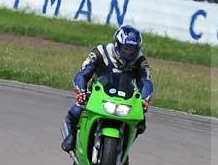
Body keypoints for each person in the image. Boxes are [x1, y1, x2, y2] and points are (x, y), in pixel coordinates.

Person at [60, 25, 154, 154]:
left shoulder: (140, 61)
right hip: (98, 94)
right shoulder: (101, 52)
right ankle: (72, 136)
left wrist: (144, 99)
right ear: (117, 44)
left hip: (126, 98)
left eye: (132, 49)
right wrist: (81, 90)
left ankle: (124, 149)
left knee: (140, 122)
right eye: (125, 48)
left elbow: (146, 82)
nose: (128, 53)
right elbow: (82, 74)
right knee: (76, 111)